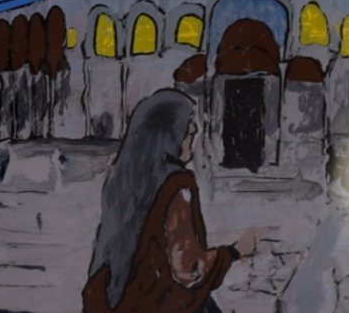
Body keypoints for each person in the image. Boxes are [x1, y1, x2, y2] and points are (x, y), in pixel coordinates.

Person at [83, 88, 254, 313]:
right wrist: (233, 252)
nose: (192, 137)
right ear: (170, 135)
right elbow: (189, 269)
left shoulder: (121, 179)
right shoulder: (177, 184)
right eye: (188, 133)